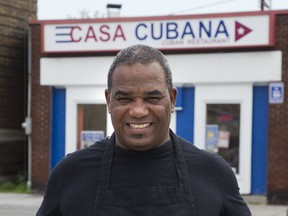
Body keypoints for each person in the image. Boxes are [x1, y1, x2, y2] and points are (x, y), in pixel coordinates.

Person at [37, 44, 251, 216]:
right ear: (108, 101)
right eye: (124, 98)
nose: (138, 111)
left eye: (152, 98)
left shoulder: (213, 173)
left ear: (172, 99)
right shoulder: (70, 173)